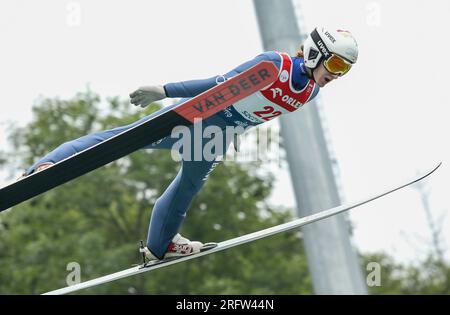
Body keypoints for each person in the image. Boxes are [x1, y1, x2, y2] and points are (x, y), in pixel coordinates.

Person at [19, 27, 358, 261]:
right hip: (198, 118)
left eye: (345, 70)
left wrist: (235, 131)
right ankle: (45, 166)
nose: (337, 75)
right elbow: (217, 84)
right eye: (337, 64)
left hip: (218, 136)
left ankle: (159, 245)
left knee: (189, 186)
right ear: (317, 53)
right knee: (119, 139)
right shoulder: (273, 65)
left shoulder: (310, 91)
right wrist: (164, 91)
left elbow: (258, 111)